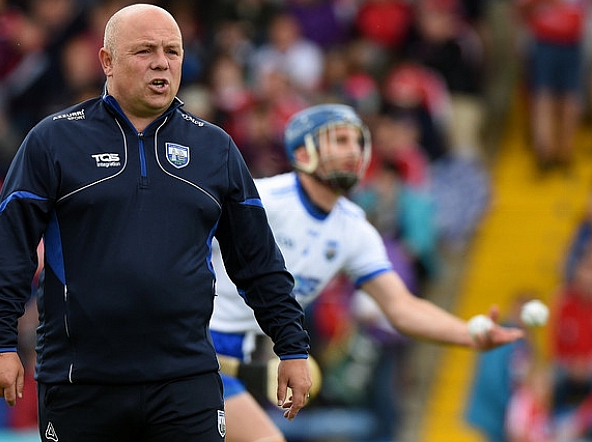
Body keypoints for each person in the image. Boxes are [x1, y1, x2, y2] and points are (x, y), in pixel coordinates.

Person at [0, 3, 312, 442]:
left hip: (185, 381)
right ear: (107, 61)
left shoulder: (216, 149)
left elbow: (259, 262)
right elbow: (10, 247)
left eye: (173, 51)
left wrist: (292, 346)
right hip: (80, 381)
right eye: (145, 50)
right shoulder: (53, 140)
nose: (161, 62)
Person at [208, 103, 525, 442]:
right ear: (302, 152)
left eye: (358, 142)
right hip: (189, 340)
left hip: (231, 357)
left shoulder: (353, 229)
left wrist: (469, 334)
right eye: (340, 141)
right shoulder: (262, 198)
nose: (353, 151)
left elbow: (401, 307)